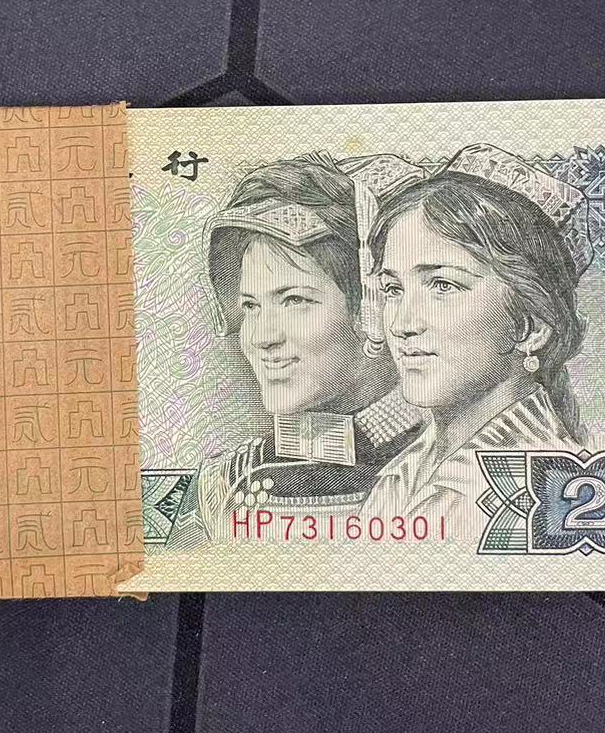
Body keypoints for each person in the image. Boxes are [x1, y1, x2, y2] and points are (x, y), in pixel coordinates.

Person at [171, 152, 421, 546]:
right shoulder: (220, 486)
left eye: (294, 300)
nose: (261, 337)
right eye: (250, 306)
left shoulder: (453, 466)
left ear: (372, 308)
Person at [359, 143, 591, 544]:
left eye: (442, 285)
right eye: (393, 289)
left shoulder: (546, 491)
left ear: (531, 326)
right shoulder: (402, 473)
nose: (401, 324)